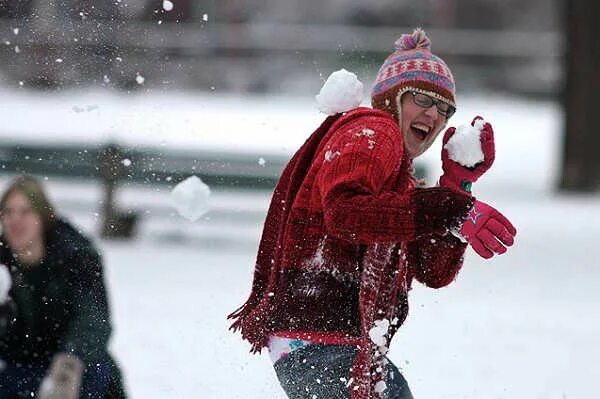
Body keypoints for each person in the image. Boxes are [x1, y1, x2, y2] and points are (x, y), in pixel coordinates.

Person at [228, 28, 517, 399]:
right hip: (320, 341)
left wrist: (456, 189)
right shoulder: (373, 131)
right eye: (423, 99)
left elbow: (431, 271)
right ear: (392, 98)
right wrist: (450, 209)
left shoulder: (398, 180)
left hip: (326, 343)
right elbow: (346, 215)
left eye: (444, 109)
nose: (434, 115)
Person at [0, 176, 127, 399]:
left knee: (97, 372)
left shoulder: (76, 255)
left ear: (43, 216)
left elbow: (94, 320)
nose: (15, 220)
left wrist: (68, 365)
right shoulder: (3, 258)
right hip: (19, 365)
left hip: (74, 365)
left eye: (25, 212)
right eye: (8, 212)